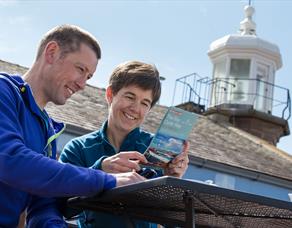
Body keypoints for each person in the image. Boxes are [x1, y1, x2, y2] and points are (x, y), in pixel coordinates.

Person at [0, 25, 145, 228]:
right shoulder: (4, 92)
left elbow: (42, 206)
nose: (82, 84)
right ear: (51, 52)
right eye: (80, 69)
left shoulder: (47, 131)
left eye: (88, 77)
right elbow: (10, 160)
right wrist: (106, 180)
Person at [59, 61, 190, 228]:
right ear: (110, 95)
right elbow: (61, 206)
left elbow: (173, 222)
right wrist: (99, 170)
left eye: (145, 103)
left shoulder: (159, 151)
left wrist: (173, 181)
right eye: (130, 97)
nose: (135, 108)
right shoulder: (78, 148)